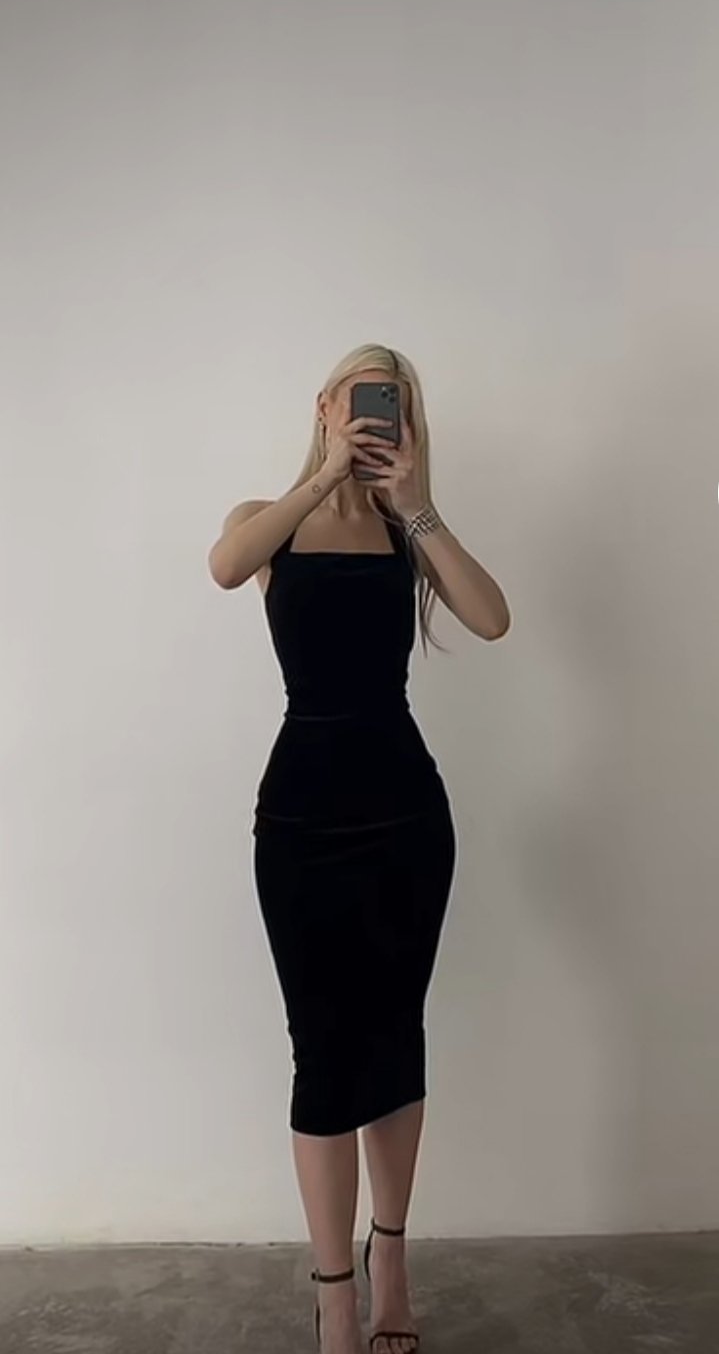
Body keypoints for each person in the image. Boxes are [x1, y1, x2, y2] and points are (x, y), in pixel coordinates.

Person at [208, 344, 510, 1354]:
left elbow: (492, 619)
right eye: (364, 396)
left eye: (396, 403)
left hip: (404, 817)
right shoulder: (268, 517)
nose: (379, 413)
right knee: (321, 1050)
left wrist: (414, 506)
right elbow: (225, 567)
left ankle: (393, 1258)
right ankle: (332, 1287)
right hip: (300, 818)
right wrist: (325, 475)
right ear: (325, 405)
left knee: (392, 1038)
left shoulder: (403, 529)